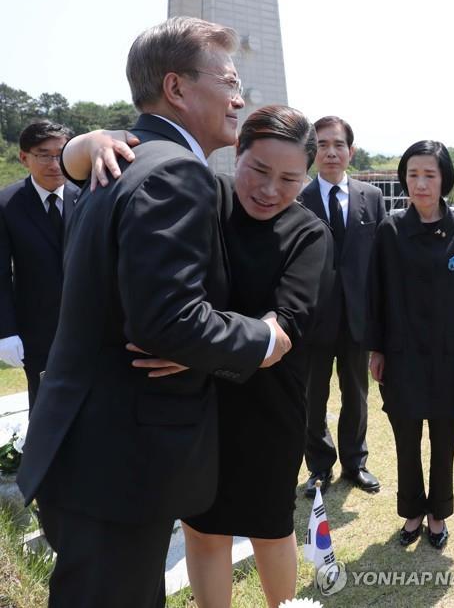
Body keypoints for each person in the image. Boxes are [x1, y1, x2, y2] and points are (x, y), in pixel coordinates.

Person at [16, 17, 291, 608]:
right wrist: (263, 338)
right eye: (229, 80)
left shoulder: (117, 159)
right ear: (177, 87)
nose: (241, 97)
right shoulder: (174, 170)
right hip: (121, 461)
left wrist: (74, 150)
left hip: (88, 451)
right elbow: (168, 320)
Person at [60, 105, 334, 608]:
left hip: (268, 404)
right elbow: (76, 163)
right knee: (203, 529)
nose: (270, 189)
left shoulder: (309, 234)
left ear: (307, 178)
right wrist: (90, 142)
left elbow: (284, 329)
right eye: (258, 170)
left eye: (290, 178)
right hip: (193, 405)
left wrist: (195, 351)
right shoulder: (202, 195)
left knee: (271, 527)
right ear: (237, 155)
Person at [367, 140, 454, 548]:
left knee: (444, 438)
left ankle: (438, 515)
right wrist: (377, 348)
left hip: (449, 357)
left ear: (443, 179)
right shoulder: (391, 229)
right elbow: (377, 294)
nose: (420, 183)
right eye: (413, 174)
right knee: (405, 438)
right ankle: (412, 511)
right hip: (401, 355)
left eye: (429, 175)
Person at [301, 116, 385, 497]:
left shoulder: (372, 197)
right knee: (312, 396)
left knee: (356, 393)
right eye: (322, 144)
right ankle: (318, 466)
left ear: (351, 151)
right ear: (312, 151)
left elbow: (382, 262)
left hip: (357, 318)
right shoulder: (299, 199)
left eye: (338, 145)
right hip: (313, 318)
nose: (330, 152)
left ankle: (355, 463)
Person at [0, 121, 78, 411]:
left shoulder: (90, 195)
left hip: (92, 325)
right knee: (46, 409)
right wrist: (5, 332)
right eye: (44, 155)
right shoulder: (7, 204)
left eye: (61, 153)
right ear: (24, 158)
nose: (55, 164)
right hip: (37, 331)